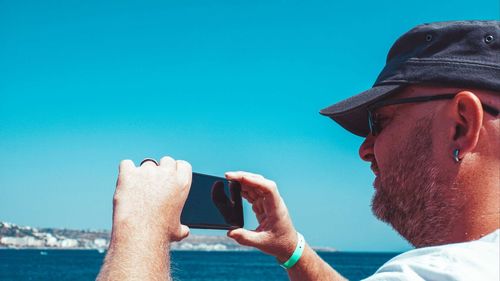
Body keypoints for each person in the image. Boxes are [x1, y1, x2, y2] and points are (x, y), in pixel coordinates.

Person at [97, 20, 499, 281]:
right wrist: (292, 250)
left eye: (380, 122)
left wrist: (140, 229)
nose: (365, 149)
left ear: (461, 123)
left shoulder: (448, 273)